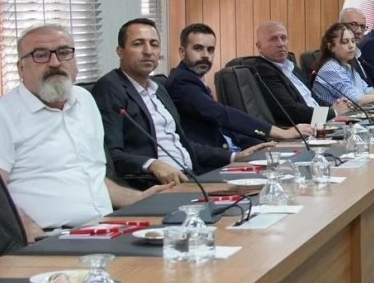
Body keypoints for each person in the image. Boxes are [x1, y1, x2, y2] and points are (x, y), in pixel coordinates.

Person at [0, 25, 173, 240]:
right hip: (50, 237)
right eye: (41, 55)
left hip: (106, 227)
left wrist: (138, 199)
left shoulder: (84, 100)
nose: (55, 63)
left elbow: (91, 176)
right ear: (21, 68)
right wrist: (31, 232)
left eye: (64, 52)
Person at [93, 18, 264, 188]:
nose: (148, 51)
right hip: (155, 185)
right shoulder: (110, 88)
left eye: (154, 44)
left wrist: (233, 157)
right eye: (138, 44)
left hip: (192, 176)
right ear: (120, 51)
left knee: (264, 185)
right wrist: (151, 164)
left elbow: (183, 144)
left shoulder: (158, 88)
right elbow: (111, 153)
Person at [165, 23, 313, 151]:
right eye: (198, 48)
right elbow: (221, 114)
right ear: (182, 52)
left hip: (236, 148)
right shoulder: (181, 82)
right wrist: (280, 133)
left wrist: (261, 145)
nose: (205, 55)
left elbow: (226, 127)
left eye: (210, 50)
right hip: (215, 159)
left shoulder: (196, 79)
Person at [244, 21, 354, 128]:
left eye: (283, 38)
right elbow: (290, 111)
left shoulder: (291, 66)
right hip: (302, 129)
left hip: (320, 122)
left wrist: (335, 106)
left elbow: (313, 98)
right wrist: (332, 112)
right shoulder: (264, 70)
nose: (281, 44)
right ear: (259, 46)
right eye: (273, 39)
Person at [313, 22, 374, 107]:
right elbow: (356, 100)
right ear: (331, 47)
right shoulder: (330, 69)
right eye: (345, 42)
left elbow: (365, 90)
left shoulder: (347, 66)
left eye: (353, 41)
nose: (351, 46)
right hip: (333, 117)